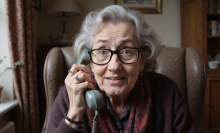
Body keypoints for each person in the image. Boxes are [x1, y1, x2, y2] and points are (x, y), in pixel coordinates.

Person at [45, 5, 196, 133]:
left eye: (126, 51)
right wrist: (74, 115)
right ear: (89, 61)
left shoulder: (168, 93)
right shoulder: (69, 97)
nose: (114, 66)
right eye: (103, 51)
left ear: (142, 61)